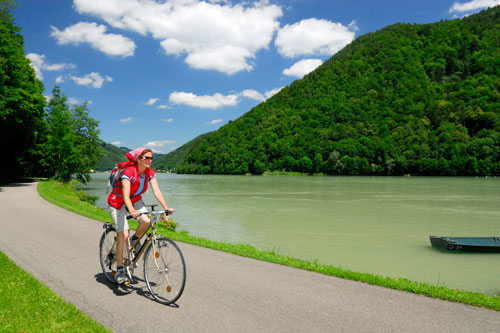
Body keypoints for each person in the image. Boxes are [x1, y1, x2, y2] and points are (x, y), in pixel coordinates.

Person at [107, 147, 173, 284]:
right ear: (138, 159)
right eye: (146, 158)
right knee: (123, 235)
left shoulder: (150, 173)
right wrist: (131, 210)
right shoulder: (129, 172)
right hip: (117, 201)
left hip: (135, 199)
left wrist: (165, 207)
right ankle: (119, 269)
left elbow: (157, 191)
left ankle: (135, 239)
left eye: (151, 158)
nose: (149, 160)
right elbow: (125, 195)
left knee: (147, 221)